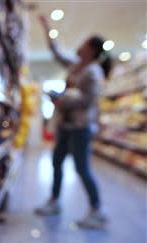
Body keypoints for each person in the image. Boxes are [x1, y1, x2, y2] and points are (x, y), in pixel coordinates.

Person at [35, 15, 112, 229]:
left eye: (84, 43)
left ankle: (98, 210)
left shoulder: (93, 72)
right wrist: (46, 26)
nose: (80, 45)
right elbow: (56, 53)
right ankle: (54, 201)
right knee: (57, 161)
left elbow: (87, 99)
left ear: (91, 49)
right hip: (67, 125)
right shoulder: (77, 66)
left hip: (80, 127)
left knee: (82, 168)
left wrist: (62, 98)